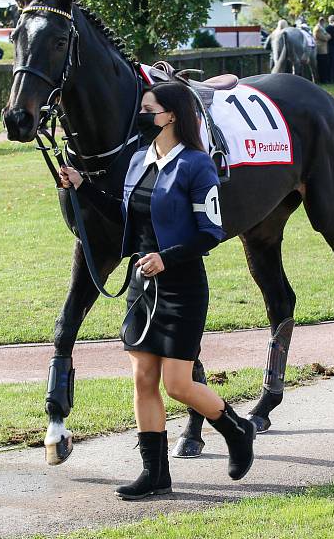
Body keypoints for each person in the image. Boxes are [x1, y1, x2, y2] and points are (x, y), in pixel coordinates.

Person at [59, 81, 256, 500]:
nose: (142, 117)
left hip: (182, 286)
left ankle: (236, 430)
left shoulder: (198, 166)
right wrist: (82, 186)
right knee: (143, 377)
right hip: (142, 286)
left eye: (149, 109)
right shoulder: (138, 161)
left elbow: (212, 232)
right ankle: (155, 473)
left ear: (170, 116)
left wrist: (167, 257)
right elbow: (124, 215)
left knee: (178, 385)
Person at [313, 17, 331, 84]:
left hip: (324, 50)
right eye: (322, 21)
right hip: (320, 50)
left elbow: (328, 36)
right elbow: (325, 38)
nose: (324, 22)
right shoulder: (318, 29)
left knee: (324, 65)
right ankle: (322, 80)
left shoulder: (322, 29)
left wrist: (327, 35)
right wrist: (327, 36)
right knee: (321, 66)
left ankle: (324, 79)